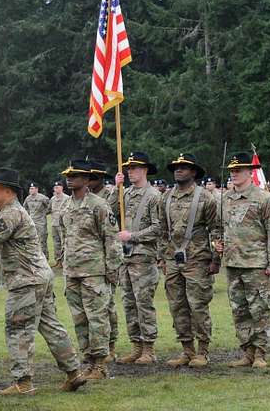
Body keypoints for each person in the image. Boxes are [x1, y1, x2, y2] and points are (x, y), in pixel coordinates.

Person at [0, 167, 87, 395]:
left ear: (8, 190)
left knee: (18, 330)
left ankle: (23, 383)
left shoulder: (11, 213)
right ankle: (74, 372)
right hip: (38, 278)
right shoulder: (10, 212)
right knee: (51, 327)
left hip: (26, 281)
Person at [215, 152, 270, 369]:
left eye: (238, 170)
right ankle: (247, 352)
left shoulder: (263, 199)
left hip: (256, 264)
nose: (234, 174)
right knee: (240, 310)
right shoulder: (224, 198)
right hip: (233, 263)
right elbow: (219, 227)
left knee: (261, 310)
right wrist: (216, 243)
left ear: (249, 172)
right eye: (232, 171)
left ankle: (261, 353)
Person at [59, 160, 122, 379]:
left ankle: (101, 365)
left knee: (98, 318)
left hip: (94, 272)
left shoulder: (98, 205)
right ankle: (87, 361)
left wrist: (113, 269)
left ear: (86, 179)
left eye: (75, 175)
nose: (70, 178)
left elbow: (112, 239)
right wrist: (61, 261)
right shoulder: (65, 205)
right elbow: (62, 235)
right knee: (79, 319)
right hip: (72, 271)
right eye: (68, 175)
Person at [159, 153, 220, 369]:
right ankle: (187, 350)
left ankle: (203, 351)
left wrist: (216, 260)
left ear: (194, 172)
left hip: (198, 259)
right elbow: (162, 230)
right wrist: (162, 258)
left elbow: (216, 231)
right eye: (176, 167)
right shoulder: (165, 197)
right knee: (177, 306)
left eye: (184, 167)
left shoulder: (206, 198)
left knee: (198, 306)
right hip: (173, 259)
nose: (179, 170)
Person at [110, 152, 161, 365]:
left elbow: (158, 227)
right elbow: (109, 211)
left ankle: (148, 349)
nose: (131, 171)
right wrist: (116, 188)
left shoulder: (153, 196)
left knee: (143, 303)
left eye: (135, 168)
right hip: (126, 257)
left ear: (145, 170)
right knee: (129, 303)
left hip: (143, 257)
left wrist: (133, 236)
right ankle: (136, 346)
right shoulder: (126, 193)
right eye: (128, 168)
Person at [87, 159, 119, 362]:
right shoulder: (82, 197)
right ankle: (93, 347)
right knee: (89, 310)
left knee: (107, 305)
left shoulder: (108, 195)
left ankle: (111, 345)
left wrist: (117, 188)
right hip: (86, 262)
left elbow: (112, 220)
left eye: (93, 177)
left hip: (103, 257)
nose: (89, 180)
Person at [23, 183, 51, 260]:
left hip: (41, 223)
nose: (30, 190)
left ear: (36, 189)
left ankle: (45, 258)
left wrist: (43, 214)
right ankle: (35, 258)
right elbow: (25, 208)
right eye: (30, 188)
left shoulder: (42, 198)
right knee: (32, 241)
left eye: (32, 188)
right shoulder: (28, 198)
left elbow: (49, 207)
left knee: (42, 241)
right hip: (31, 223)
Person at [49, 181, 69, 267]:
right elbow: (49, 209)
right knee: (56, 243)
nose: (56, 189)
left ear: (62, 188)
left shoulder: (67, 198)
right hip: (54, 224)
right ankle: (58, 261)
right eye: (55, 187)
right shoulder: (52, 199)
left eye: (58, 187)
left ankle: (65, 261)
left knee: (64, 243)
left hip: (63, 225)